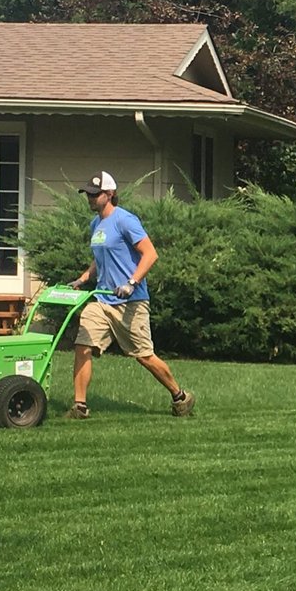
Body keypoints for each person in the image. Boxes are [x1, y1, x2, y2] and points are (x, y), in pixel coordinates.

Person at [67, 171, 195, 418]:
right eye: (88, 194)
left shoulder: (126, 220)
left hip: (131, 302)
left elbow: (150, 254)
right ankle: (80, 406)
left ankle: (180, 396)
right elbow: (100, 258)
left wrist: (131, 282)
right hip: (102, 299)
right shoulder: (96, 224)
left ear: (110, 194)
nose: (90, 199)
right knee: (82, 344)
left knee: (144, 356)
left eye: (95, 194)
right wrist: (84, 278)